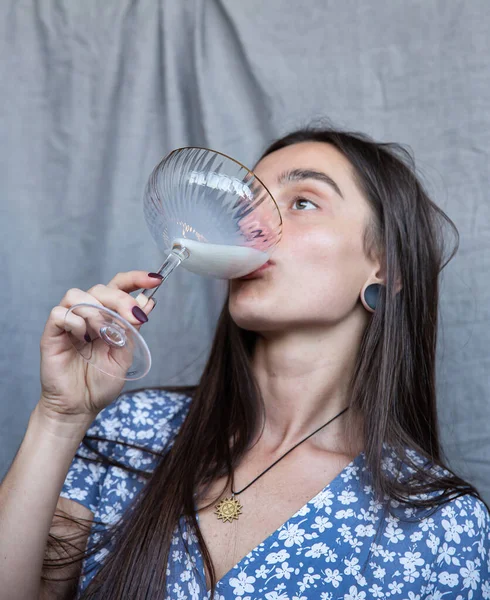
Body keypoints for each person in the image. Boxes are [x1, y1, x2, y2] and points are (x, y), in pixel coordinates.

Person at [1, 126, 489, 600]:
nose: (251, 224)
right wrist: (60, 416)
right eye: (245, 204)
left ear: (388, 267)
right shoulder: (131, 432)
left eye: (302, 202)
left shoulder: (441, 526)